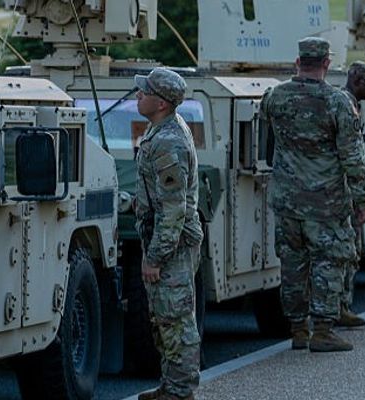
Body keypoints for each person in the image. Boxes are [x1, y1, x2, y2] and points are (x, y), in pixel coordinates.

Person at [262, 37, 365, 352]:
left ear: (298, 62)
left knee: (293, 265)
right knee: (330, 262)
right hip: (327, 202)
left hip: (287, 200)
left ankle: (297, 330)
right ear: (326, 64)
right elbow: (353, 157)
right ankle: (322, 330)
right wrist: (361, 199)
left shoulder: (275, 97)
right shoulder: (337, 102)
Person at [132, 67, 203, 400]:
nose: (138, 95)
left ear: (161, 103)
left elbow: (173, 208)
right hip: (166, 237)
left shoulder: (168, 140)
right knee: (164, 317)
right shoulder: (159, 130)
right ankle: (171, 385)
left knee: (176, 319)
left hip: (172, 243)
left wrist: (156, 256)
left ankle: (181, 391)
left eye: (144, 92)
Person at [336, 61, 365, 328]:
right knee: (346, 252)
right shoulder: (345, 105)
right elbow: (354, 158)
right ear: (356, 81)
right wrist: (361, 199)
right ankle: (340, 307)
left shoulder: (350, 103)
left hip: (341, 192)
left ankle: (341, 305)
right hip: (344, 194)